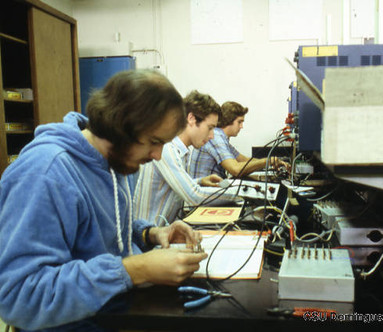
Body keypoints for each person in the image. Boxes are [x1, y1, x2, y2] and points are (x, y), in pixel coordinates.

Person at [0, 69, 208, 331]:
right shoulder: (45, 173)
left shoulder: (111, 160)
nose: (157, 155)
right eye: (154, 142)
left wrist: (150, 234)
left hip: (111, 316)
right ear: (119, 126)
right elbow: (19, 298)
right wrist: (134, 270)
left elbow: (98, 230)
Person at [133, 91, 241, 225]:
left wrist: (200, 181)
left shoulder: (181, 151)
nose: (212, 136)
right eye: (210, 128)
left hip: (167, 231)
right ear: (191, 119)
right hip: (150, 238)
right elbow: (194, 196)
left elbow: (171, 185)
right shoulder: (167, 148)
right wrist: (241, 192)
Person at [189, 101, 289, 179]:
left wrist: (272, 162)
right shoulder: (216, 137)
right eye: (239, 122)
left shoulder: (222, 139)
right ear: (229, 120)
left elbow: (244, 160)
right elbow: (236, 169)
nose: (241, 126)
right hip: (205, 196)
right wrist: (267, 161)